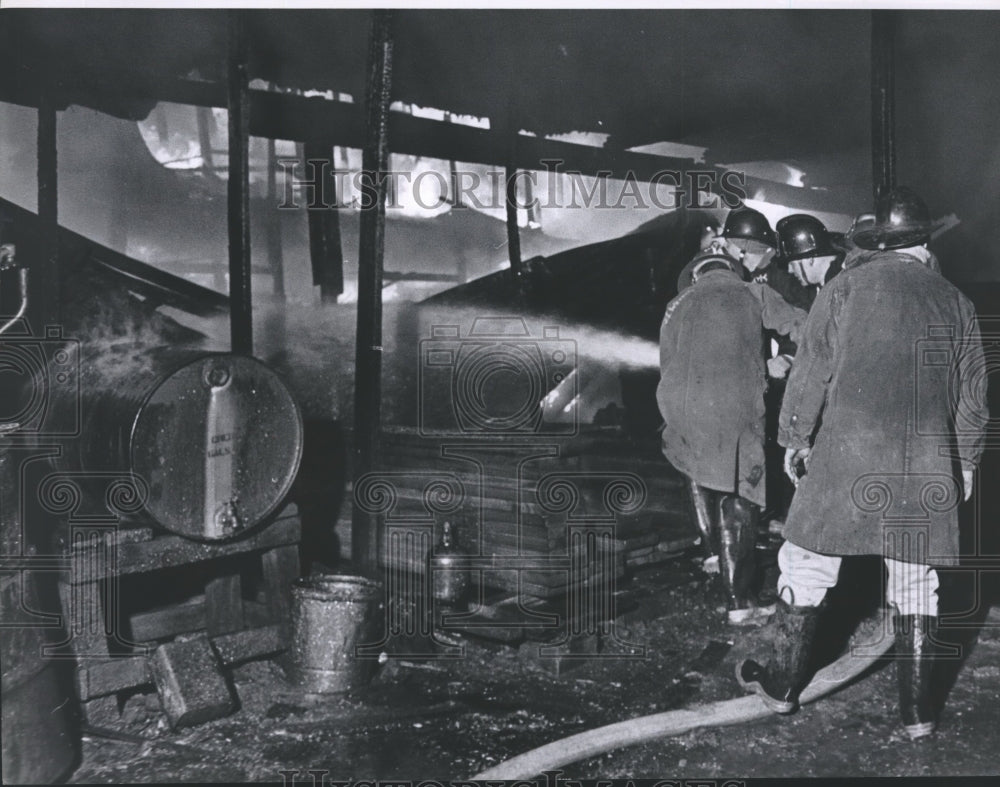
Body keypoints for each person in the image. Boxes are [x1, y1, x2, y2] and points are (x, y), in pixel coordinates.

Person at [736, 187, 988, 740]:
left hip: (847, 456)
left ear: (871, 242)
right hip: (926, 464)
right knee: (917, 583)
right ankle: (919, 718)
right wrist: (964, 464)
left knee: (806, 565)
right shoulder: (956, 302)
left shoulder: (844, 289)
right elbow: (974, 397)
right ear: (921, 244)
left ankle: (780, 687)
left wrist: (794, 439)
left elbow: (810, 375)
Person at [657, 249, 775, 626]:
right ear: (730, 269)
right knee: (738, 497)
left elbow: (668, 361)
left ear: (696, 276)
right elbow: (802, 326)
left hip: (683, 409)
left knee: (695, 468)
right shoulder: (753, 292)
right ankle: (740, 601)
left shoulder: (676, 305)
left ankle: (712, 553)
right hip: (734, 409)